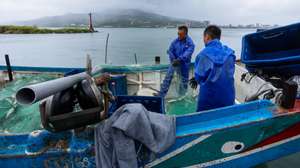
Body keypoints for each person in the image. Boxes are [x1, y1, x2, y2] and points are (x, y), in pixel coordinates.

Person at [190, 25, 236, 112]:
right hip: (229, 99)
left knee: (205, 119)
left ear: (207, 37)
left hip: (209, 101)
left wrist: (196, 79)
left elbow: (199, 77)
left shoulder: (203, 55)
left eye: (204, 37)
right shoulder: (230, 53)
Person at [158, 25, 195, 97]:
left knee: (184, 81)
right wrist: (173, 59)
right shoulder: (175, 41)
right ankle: (161, 95)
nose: (179, 36)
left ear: (185, 34)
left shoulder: (190, 44)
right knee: (168, 77)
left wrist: (179, 59)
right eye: (178, 33)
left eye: (180, 34)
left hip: (184, 64)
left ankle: (182, 96)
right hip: (174, 62)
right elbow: (170, 50)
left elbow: (187, 53)